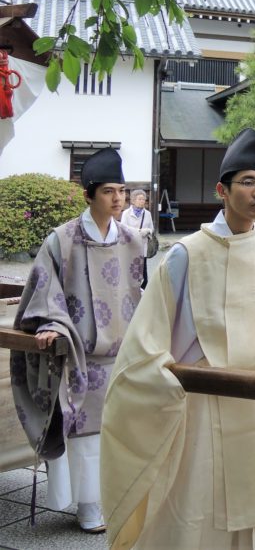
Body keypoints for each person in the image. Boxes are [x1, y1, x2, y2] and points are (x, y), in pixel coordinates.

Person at [100, 128, 255, 549]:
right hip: (202, 402)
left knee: (254, 513)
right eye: (248, 182)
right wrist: (165, 382)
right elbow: (149, 337)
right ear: (222, 189)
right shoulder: (188, 254)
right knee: (198, 516)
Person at [10, 148, 145, 533]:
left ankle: (111, 498)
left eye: (121, 190)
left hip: (121, 355)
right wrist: (52, 323)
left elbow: (141, 294)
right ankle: (88, 506)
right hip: (79, 357)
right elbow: (43, 288)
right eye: (108, 191)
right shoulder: (62, 240)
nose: (117, 199)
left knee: (118, 433)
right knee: (84, 438)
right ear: (88, 195)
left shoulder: (134, 240)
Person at [120, 188, 156, 287]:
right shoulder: (126, 213)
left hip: (142, 246)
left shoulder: (147, 214)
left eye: (144, 199)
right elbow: (123, 229)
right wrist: (139, 232)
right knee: (130, 269)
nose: (142, 201)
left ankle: (143, 289)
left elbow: (151, 229)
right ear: (133, 200)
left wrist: (148, 231)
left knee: (143, 271)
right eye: (139, 199)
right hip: (130, 246)